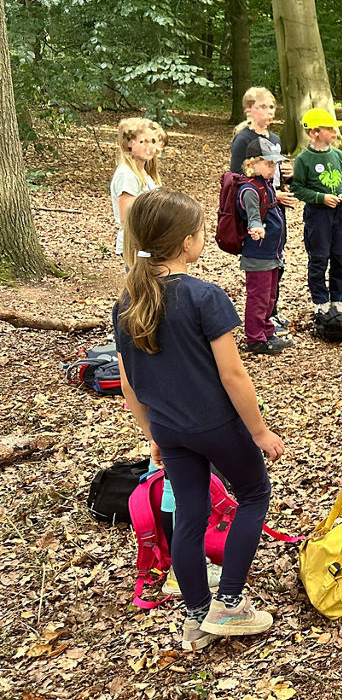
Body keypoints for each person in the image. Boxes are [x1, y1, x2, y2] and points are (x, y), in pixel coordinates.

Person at [113, 188, 284, 651]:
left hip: (169, 429)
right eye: (201, 231)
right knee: (253, 494)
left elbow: (129, 385)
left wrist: (152, 434)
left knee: (189, 514)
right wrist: (260, 431)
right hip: (216, 426)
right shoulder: (204, 296)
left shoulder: (128, 301)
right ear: (187, 241)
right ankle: (229, 604)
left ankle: (195, 618)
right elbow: (233, 374)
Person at [229, 87, 296, 335]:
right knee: (263, 266)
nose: (269, 112)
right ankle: (261, 323)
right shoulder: (243, 140)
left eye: (272, 107)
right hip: (258, 211)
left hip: (276, 208)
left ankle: (272, 312)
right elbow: (239, 180)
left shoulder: (275, 139)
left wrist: (289, 175)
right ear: (249, 110)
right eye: (263, 107)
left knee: (277, 261)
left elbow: (275, 175)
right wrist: (271, 196)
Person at [289, 108, 342, 314]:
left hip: (339, 215)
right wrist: (321, 198)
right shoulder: (303, 159)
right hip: (317, 217)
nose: (334, 133)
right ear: (314, 133)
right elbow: (297, 188)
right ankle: (321, 302)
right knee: (319, 258)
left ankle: (338, 299)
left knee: (341, 257)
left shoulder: (338, 155)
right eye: (330, 129)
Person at [238, 149, 293, 355]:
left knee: (270, 296)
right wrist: (256, 228)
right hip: (258, 253)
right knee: (259, 297)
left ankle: (267, 331)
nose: (273, 168)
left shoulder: (267, 185)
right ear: (252, 164)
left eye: (274, 164)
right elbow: (253, 216)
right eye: (268, 164)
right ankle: (255, 339)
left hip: (272, 252)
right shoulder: (249, 190)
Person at [110, 117, 163, 267]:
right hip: (136, 245)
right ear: (129, 145)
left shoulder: (144, 173)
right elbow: (126, 218)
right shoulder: (127, 175)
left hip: (149, 243)